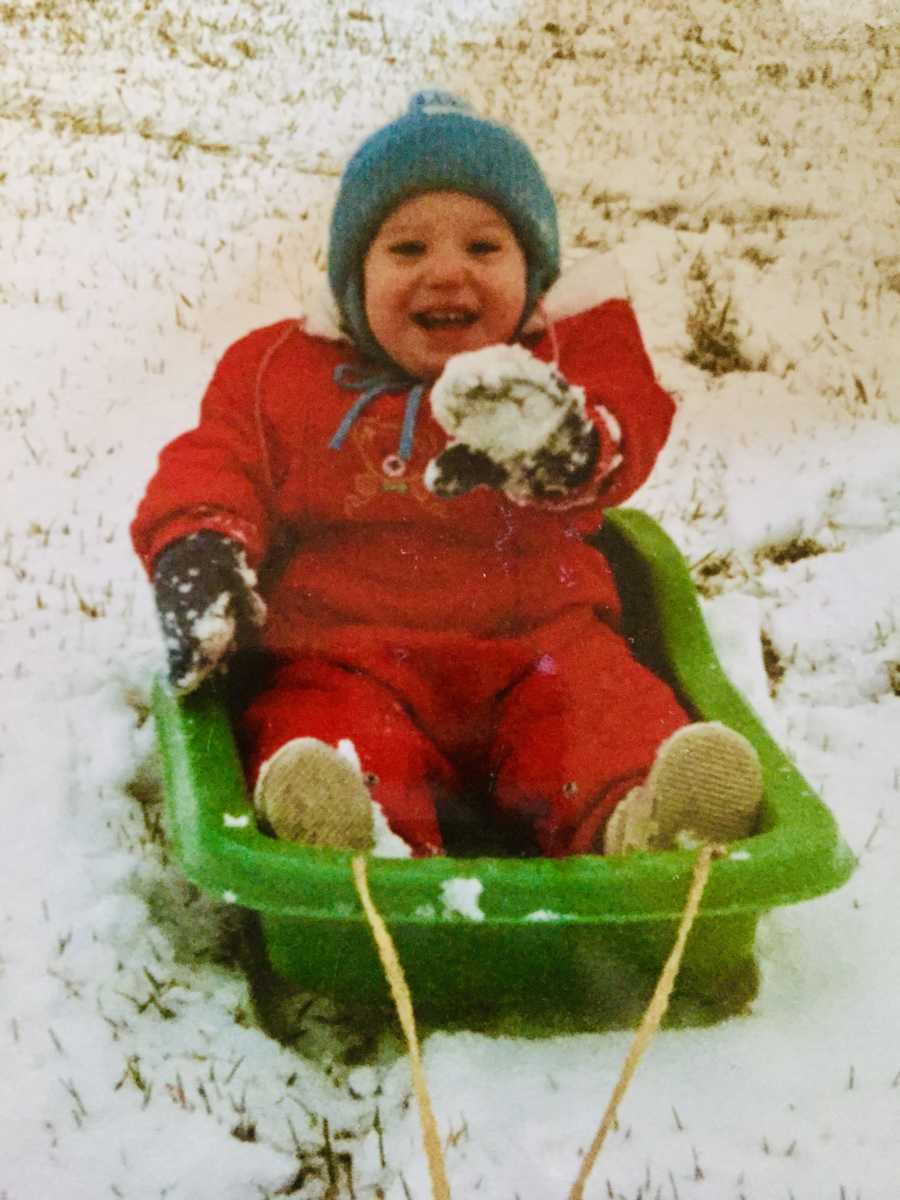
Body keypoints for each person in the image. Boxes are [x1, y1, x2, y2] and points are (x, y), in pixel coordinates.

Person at [132, 91, 762, 858]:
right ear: (351, 274)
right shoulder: (279, 370)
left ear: (533, 272)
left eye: (485, 248)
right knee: (329, 730)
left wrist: (570, 442)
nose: (446, 273)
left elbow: (630, 409)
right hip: (349, 654)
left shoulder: (557, 365)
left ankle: (647, 819)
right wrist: (200, 545)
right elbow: (216, 458)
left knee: (601, 711)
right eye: (406, 250)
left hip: (542, 645)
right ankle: (355, 829)